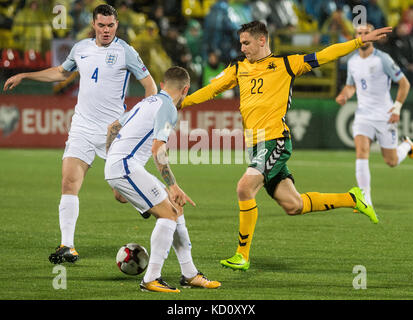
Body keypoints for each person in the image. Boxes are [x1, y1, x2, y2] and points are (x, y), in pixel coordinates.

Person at [181, 21, 393, 271]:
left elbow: (325, 55)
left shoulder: (285, 64)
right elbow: (211, 89)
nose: (242, 47)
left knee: (244, 188)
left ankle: (242, 255)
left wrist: (358, 41)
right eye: (241, 43)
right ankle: (353, 198)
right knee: (294, 205)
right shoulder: (238, 68)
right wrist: (180, 103)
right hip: (255, 145)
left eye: (246, 42)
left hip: (275, 140)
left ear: (262, 40)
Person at [3, 4, 158, 264]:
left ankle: (151, 204)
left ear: (116, 25)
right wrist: (25, 75)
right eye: (101, 25)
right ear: (93, 25)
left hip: (112, 131)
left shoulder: (126, 52)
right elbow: (62, 72)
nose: (106, 30)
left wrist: (130, 119)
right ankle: (68, 246)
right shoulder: (81, 48)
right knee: (68, 182)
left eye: (110, 26)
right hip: (82, 127)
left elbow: (151, 88)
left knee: (121, 195)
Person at [104, 66, 221, 292]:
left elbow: (112, 128)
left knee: (176, 207)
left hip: (121, 166)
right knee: (168, 213)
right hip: (126, 166)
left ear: (162, 84)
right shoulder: (168, 107)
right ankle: (151, 279)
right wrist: (173, 185)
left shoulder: (147, 102)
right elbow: (158, 148)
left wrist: (113, 173)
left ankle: (189, 273)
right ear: (186, 89)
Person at [335, 24, 413, 208]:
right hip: (363, 115)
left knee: (391, 161)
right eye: (359, 33)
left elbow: (404, 84)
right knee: (361, 152)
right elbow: (351, 85)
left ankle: (406, 146)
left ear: (373, 36)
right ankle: (366, 200)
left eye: (366, 33)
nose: (363, 36)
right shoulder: (352, 61)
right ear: (355, 36)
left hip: (384, 115)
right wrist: (344, 95)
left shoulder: (383, 59)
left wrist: (396, 109)